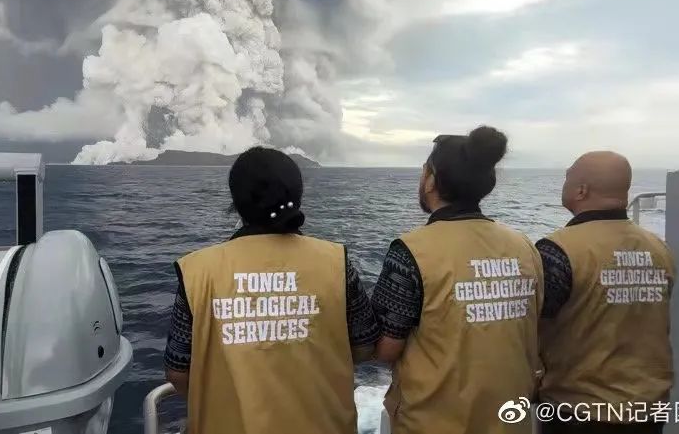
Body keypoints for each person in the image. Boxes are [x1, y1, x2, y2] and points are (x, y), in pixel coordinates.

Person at [163, 146, 381, 434]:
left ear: (236, 202)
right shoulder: (336, 262)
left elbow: (178, 371)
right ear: (297, 196)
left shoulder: (197, 271)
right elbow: (365, 345)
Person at [371, 125, 544, 434]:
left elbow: (386, 348)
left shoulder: (411, 251)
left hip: (433, 423)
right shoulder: (525, 246)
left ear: (431, 180)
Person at [536, 151, 674, 434]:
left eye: (567, 176)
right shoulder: (659, 248)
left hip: (579, 410)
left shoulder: (558, 250)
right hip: (649, 409)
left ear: (581, 190)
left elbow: (533, 324)